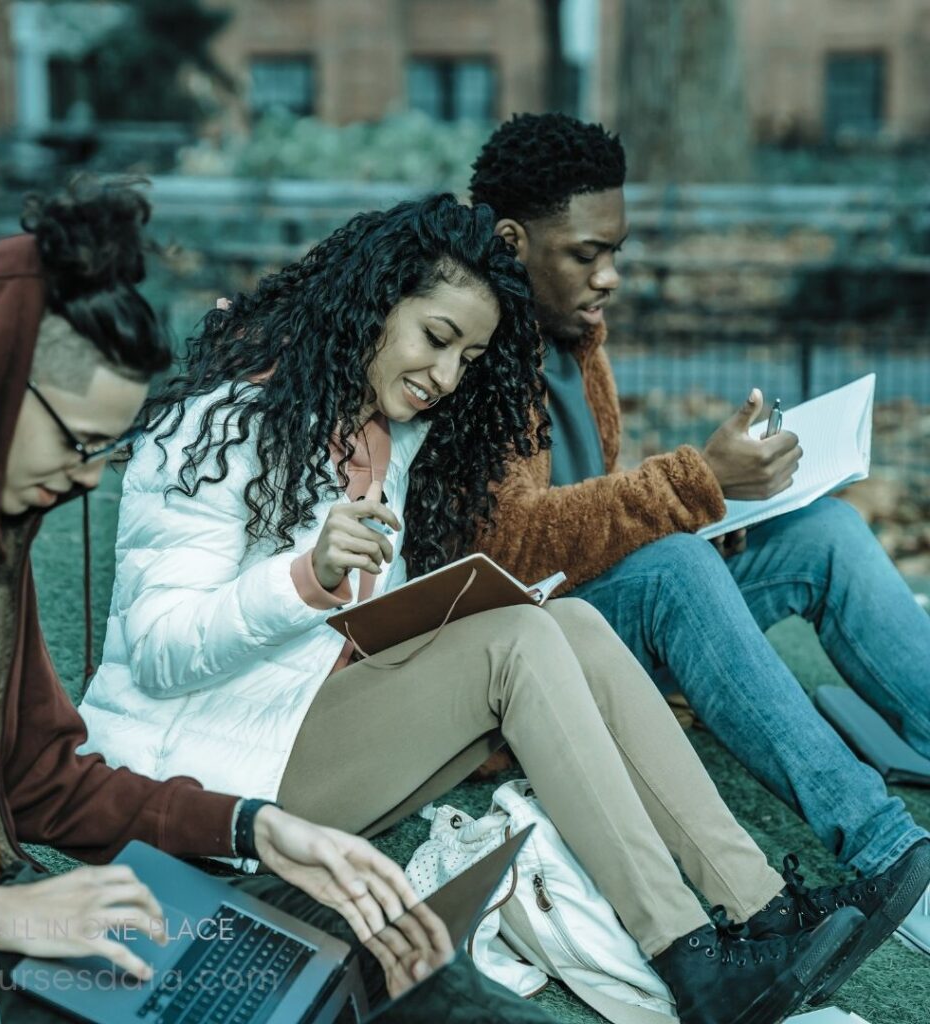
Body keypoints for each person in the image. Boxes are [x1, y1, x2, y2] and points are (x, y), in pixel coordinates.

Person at [79, 193, 882, 1024]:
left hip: (294, 732)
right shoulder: (222, 421)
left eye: (469, 355)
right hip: (201, 780)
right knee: (518, 643)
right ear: (372, 302)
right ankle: (689, 955)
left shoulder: (389, 433)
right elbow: (159, 650)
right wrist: (305, 576)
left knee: (568, 621)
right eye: (435, 338)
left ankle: (758, 908)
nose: (446, 376)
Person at [0, 180, 552, 1024]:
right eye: (78, 444)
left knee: (373, 968)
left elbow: (39, 784)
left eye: (108, 449)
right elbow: (167, 649)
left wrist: (251, 828)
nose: (92, 476)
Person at [467, 112, 930, 954]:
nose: (609, 275)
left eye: (617, 250)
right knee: (677, 565)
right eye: (585, 254)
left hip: (607, 600)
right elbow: (507, 548)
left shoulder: (576, 339)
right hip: (531, 655)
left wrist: (719, 509)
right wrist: (692, 489)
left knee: (820, 530)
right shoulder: (465, 353)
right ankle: (891, 852)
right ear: (509, 240)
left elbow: (592, 500)